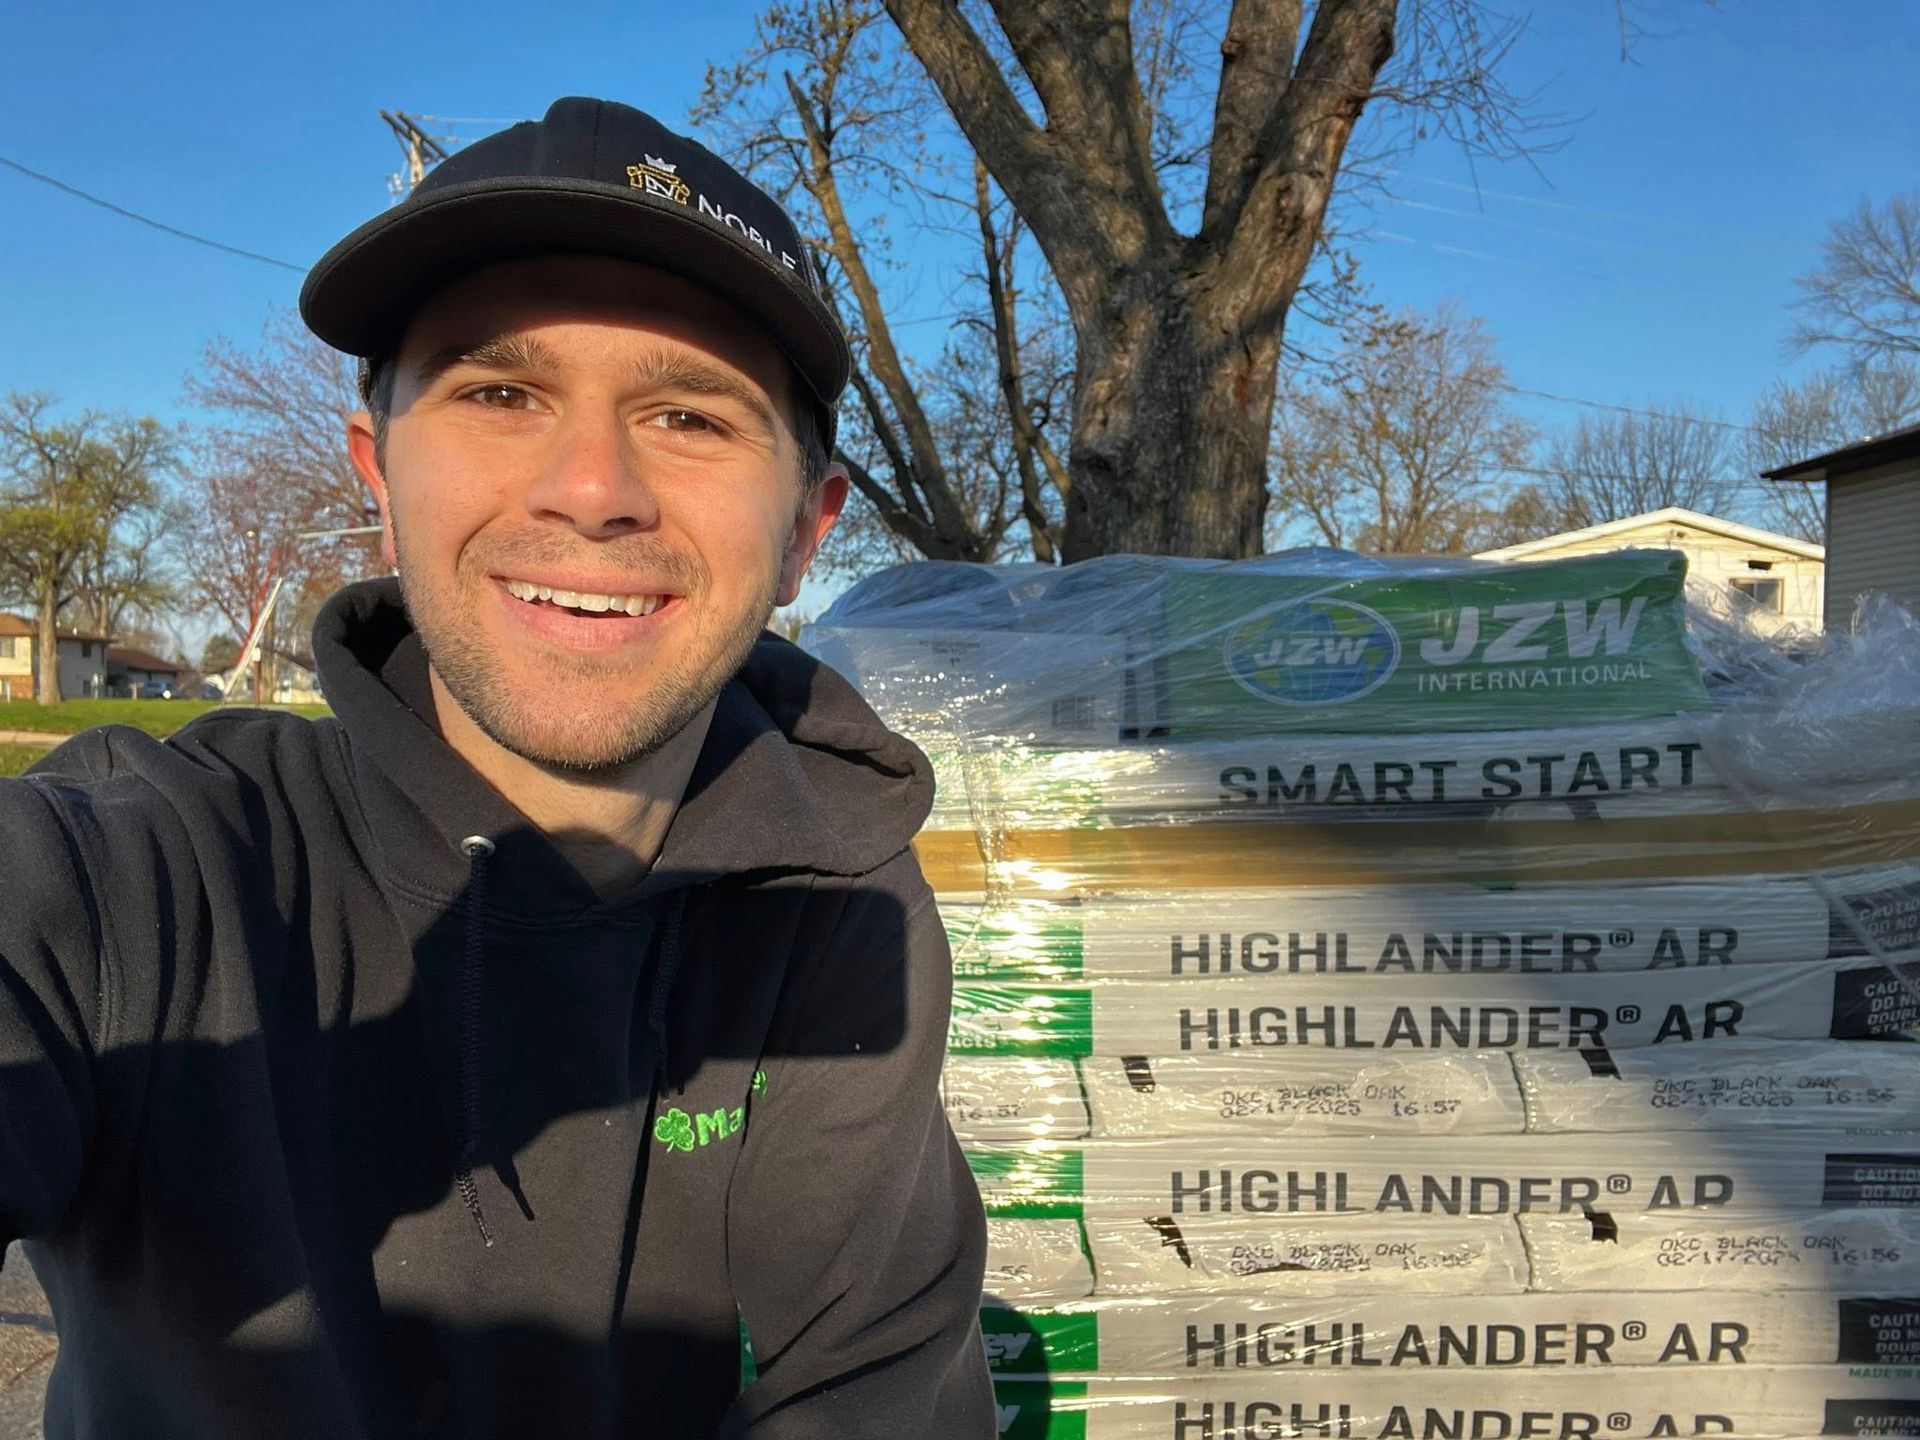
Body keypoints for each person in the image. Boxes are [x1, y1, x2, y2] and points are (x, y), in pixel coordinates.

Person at [0, 97, 993, 1438]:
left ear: (808, 530)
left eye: (691, 414)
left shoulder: (835, 901)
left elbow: (876, 1393)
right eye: (501, 392)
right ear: (378, 471)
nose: (591, 488)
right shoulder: (140, 878)